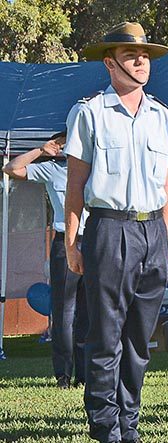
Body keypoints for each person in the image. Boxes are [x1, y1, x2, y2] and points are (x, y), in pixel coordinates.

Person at [63, 22, 168, 443]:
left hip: (152, 232)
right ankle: (105, 427)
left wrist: (166, 239)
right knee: (105, 335)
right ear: (110, 63)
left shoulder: (163, 117)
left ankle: (128, 424)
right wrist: (71, 240)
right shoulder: (89, 112)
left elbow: (167, 184)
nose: (141, 62)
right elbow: (76, 183)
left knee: (139, 339)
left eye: (145, 55)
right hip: (109, 229)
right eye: (132, 55)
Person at [3, 132, 89, 389]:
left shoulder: (95, 166)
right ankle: (63, 375)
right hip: (66, 241)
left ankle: (84, 375)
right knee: (64, 311)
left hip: (96, 239)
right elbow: (11, 168)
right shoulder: (52, 170)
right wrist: (41, 150)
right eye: (61, 144)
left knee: (89, 310)